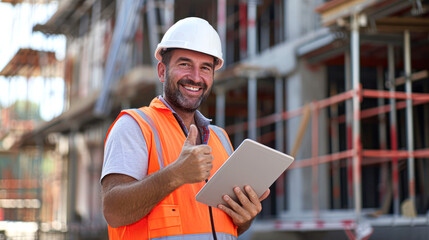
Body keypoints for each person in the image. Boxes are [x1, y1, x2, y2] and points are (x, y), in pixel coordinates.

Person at [101, 17, 270, 240]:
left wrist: (245, 216)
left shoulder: (219, 138)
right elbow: (113, 211)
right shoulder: (136, 126)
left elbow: (227, 226)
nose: (196, 77)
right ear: (162, 71)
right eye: (185, 64)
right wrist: (175, 175)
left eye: (205, 68)